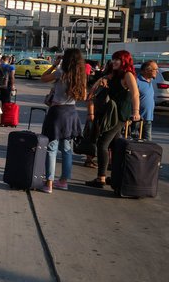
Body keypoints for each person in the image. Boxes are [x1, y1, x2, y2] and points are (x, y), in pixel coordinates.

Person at [85, 50, 140, 188]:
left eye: (118, 60)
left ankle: (101, 178)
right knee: (115, 146)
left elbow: (135, 94)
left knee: (103, 143)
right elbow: (92, 91)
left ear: (125, 61)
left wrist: (136, 112)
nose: (114, 62)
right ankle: (116, 176)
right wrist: (101, 79)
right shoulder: (114, 75)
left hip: (119, 115)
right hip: (111, 114)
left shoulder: (128, 75)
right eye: (114, 59)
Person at [38, 49, 86, 193]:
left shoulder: (61, 73)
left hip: (57, 112)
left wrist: (54, 65)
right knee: (66, 149)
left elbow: (43, 77)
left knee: (52, 148)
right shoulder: (81, 76)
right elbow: (83, 96)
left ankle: (49, 183)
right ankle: (63, 181)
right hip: (71, 112)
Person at [136, 60, 158, 140]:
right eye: (155, 69)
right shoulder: (136, 81)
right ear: (146, 70)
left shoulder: (150, 81)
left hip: (148, 118)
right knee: (132, 143)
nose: (157, 71)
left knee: (148, 144)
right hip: (136, 119)